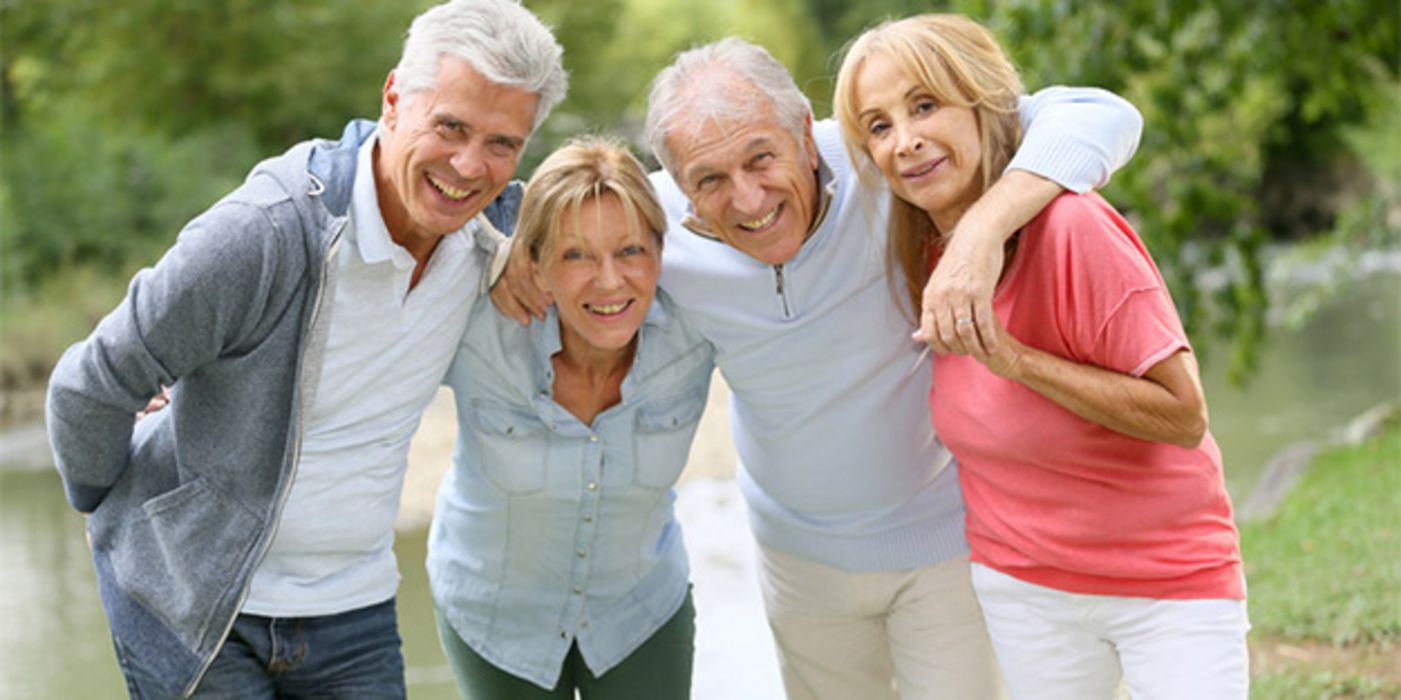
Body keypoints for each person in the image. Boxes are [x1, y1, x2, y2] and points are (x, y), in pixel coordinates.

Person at [494, 38, 1143, 700]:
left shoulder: (883, 162)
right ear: (679, 184)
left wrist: (978, 234)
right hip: (797, 565)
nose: (746, 200)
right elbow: (525, 217)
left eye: (760, 159)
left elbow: (1100, 113)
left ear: (804, 133)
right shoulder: (647, 224)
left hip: (946, 541)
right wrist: (515, 254)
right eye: (709, 180)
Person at [43, 1, 567, 697]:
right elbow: (89, 384)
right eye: (449, 126)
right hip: (201, 608)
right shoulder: (264, 234)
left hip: (355, 608)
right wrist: (102, 508)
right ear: (392, 99)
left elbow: (622, 215)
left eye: (502, 143)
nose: (469, 166)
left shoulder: (493, 233)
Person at [834, 14, 1248, 699]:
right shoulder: (912, 248)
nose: (904, 141)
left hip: (1166, 582)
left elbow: (1183, 416)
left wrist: (1017, 361)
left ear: (982, 104)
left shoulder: (1070, 227)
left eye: (925, 105)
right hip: (1024, 590)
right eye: (878, 127)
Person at [428, 137, 713, 699]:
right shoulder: (473, 321)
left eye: (630, 251)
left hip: (639, 615)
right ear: (533, 262)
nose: (609, 281)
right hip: (494, 622)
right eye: (575, 255)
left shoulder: (699, 327)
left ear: (661, 249)